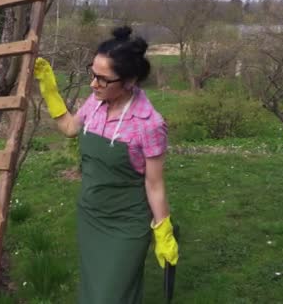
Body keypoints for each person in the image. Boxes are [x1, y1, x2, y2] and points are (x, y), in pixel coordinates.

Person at [34, 26, 179, 303]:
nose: (93, 84)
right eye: (93, 75)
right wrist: (50, 91)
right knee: (94, 292)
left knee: (111, 296)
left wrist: (163, 230)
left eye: (103, 79)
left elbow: (154, 183)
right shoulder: (95, 103)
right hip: (90, 215)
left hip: (127, 223)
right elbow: (68, 128)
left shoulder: (149, 125)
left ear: (129, 81)